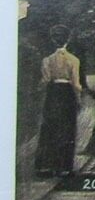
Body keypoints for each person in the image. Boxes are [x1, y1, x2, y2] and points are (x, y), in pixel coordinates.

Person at [35, 25, 82, 177]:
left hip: (53, 94)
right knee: (67, 129)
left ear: (53, 40)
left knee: (50, 127)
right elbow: (76, 84)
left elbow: (45, 80)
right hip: (67, 95)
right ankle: (64, 166)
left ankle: (47, 166)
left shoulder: (47, 60)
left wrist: (39, 90)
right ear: (68, 40)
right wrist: (78, 98)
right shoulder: (73, 60)